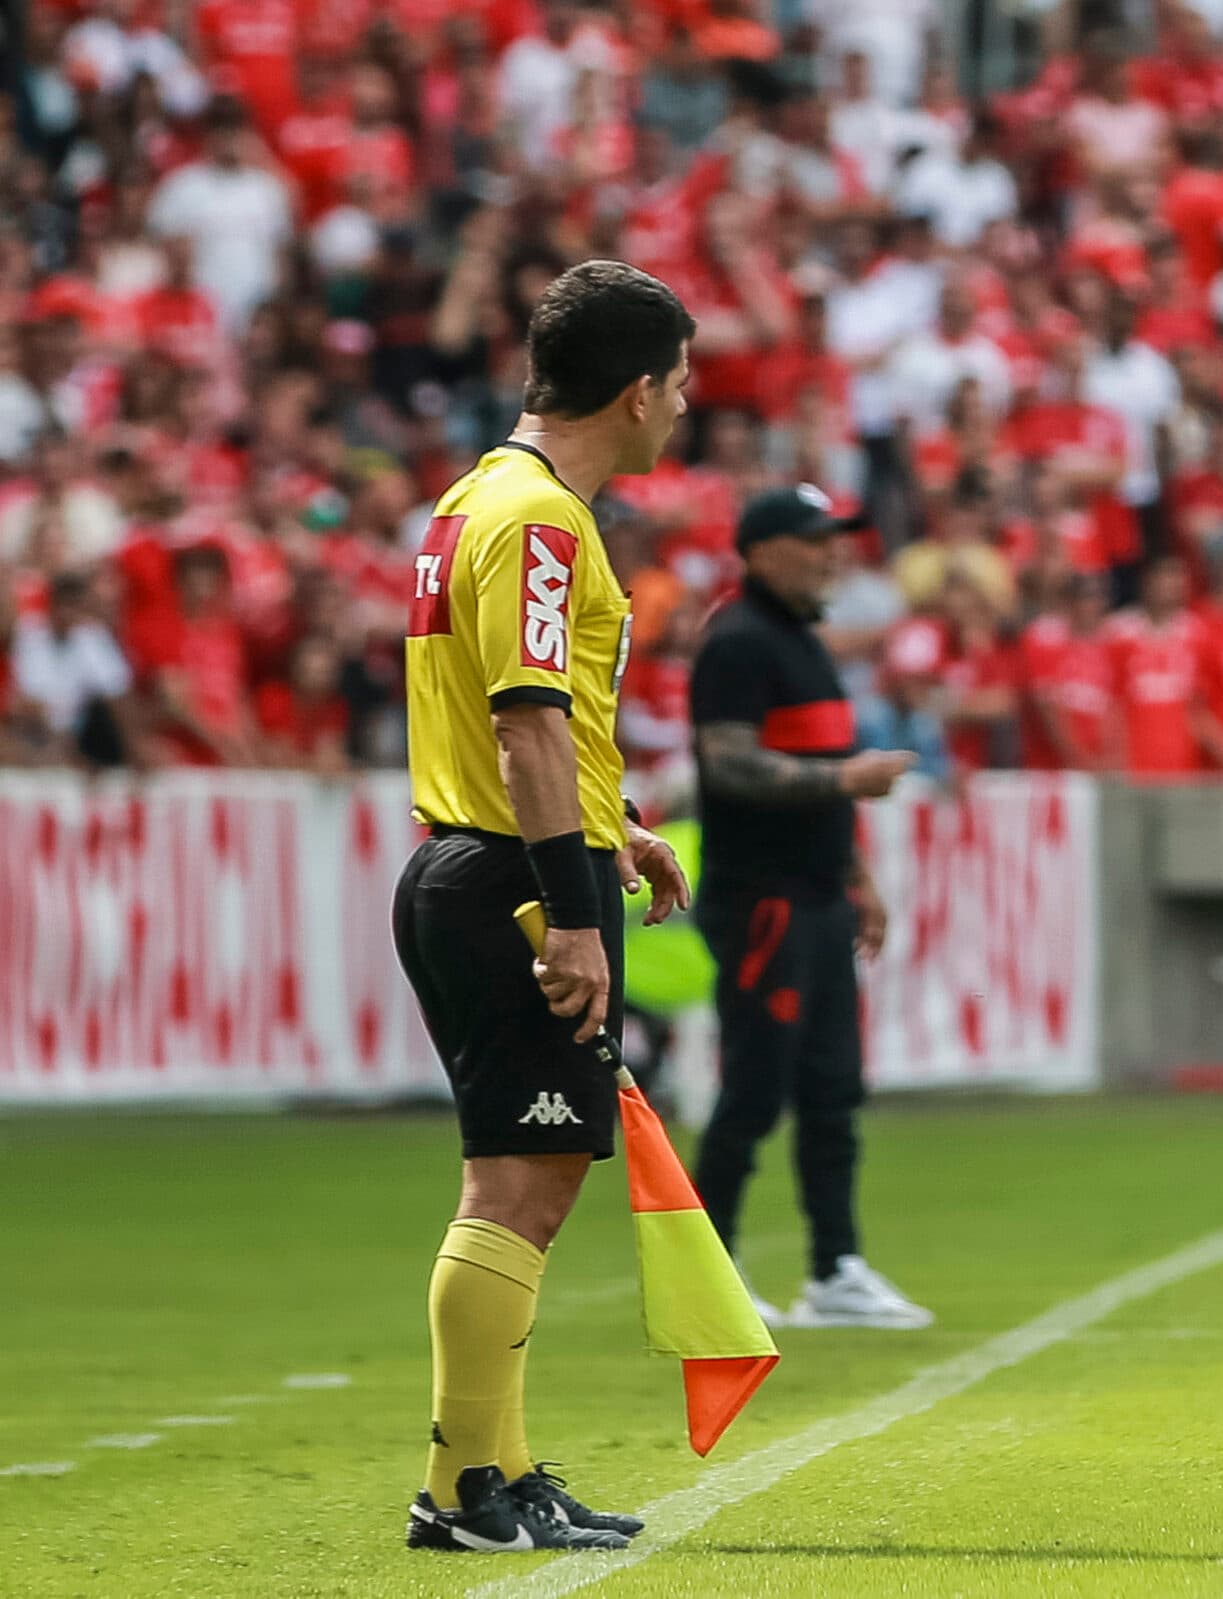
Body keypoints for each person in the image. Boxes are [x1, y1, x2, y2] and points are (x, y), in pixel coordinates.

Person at [391, 260, 696, 1553]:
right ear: (637, 392)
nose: (682, 407)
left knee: (529, 1180)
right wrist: (572, 909)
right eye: (679, 382)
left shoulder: (476, 497)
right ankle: (463, 1486)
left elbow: (513, 719)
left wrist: (613, 826)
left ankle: (499, 1467)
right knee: (515, 1189)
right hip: (512, 883)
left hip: (489, 859)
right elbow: (523, 722)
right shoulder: (540, 520)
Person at [687, 485, 931, 1330]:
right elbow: (727, 763)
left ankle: (836, 1266)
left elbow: (816, 765)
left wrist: (858, 877)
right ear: (761, 551)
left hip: (818, 896)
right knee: (754, 1090)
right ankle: (706, 1269)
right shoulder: (738, 642)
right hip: (765, 898)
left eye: (837, 538)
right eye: (816, 539)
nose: (834, 554)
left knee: (834, 1090)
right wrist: (844, 779)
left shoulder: (801, 641)